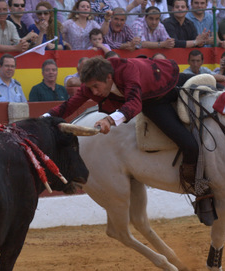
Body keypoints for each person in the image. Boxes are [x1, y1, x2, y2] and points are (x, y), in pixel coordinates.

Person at [47, 56, 212, 198]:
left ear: (109, 78)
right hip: (153, 103)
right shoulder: (92, 84)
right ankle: (197, 187)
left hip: (169, 80)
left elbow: (133, 102)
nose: (94, 92)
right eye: (90, 88)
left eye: (96, 86)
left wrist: (110, 120)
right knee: (189, 144)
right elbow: (68, 106)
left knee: (214, 92)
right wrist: (43, 119)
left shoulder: (127, 70)